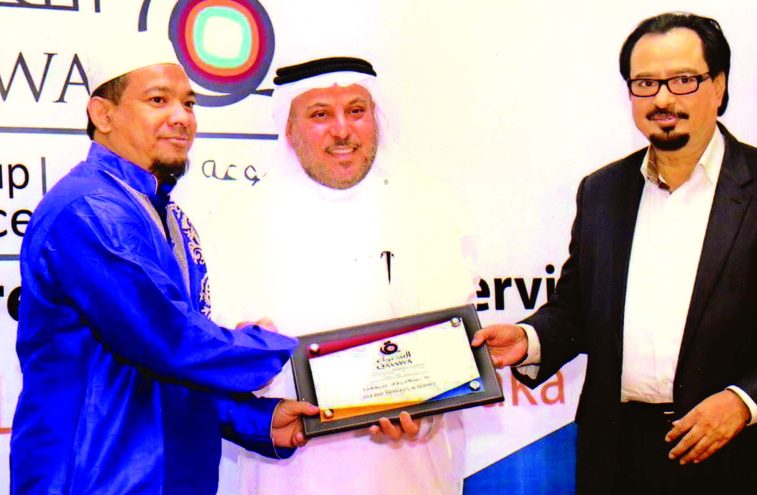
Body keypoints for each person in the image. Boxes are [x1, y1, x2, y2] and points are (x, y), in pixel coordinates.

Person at [472, 12, 757, 494]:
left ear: (718, 86)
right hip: (622, 459)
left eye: (683, 80)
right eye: (645, 83)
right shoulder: (602, 192)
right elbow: (577, 309)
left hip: (745, 456)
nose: (662, 99)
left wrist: (744, 401)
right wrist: (529, 338)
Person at [11, 33, 316, 494]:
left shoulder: (157, 209)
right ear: (103, 114)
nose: (182, 118)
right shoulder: (90, 208)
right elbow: (170, 341)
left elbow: (161, 374)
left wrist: (256, 421)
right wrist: (278, 350)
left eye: (189, 104)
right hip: (93, 481)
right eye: (158, 100)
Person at [204, 57, 476, 494]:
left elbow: (452, 341)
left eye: (356, 111)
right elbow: (220, 352)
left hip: (407, 460)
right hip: (293, 469)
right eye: (319, 115)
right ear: (289, 130)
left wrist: (428, 410)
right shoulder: (242, 219)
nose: (342, 130)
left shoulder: (426, 209)